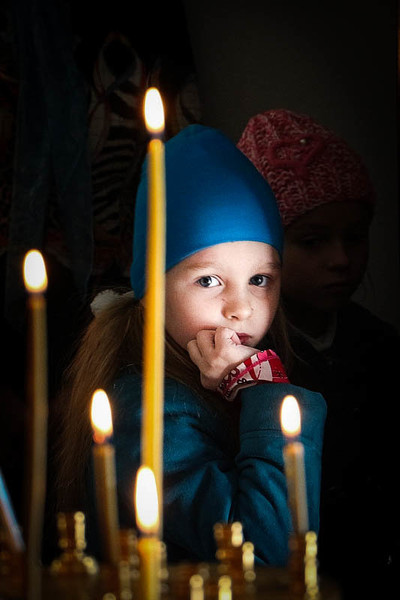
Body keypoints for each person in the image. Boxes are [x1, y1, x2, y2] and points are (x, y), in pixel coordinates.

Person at [54, 124, 326, 567]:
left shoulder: (233, 370)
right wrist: (264, 392)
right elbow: (265, 557)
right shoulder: (147, 410)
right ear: (151, 291)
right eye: (208, 280)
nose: (241, 307)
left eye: (260, 279)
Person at [237, 109, 399, 596]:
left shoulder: (380, 344)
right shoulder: (245, 357)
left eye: (355, 236)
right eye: (312, 241)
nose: (341, 259)